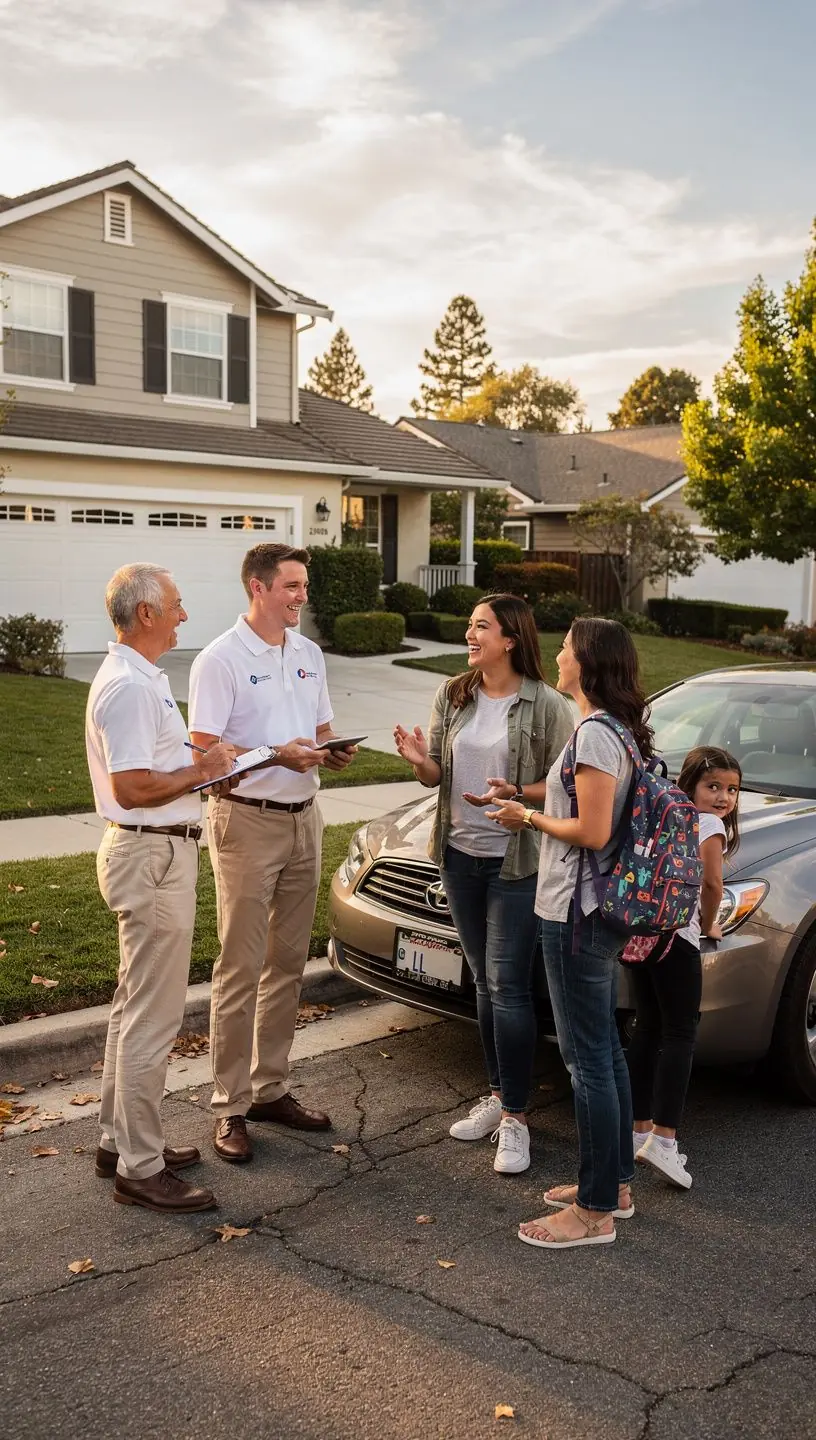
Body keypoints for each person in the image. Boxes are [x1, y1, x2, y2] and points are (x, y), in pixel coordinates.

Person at [394, 594, 574, 1175]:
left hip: (515, 862)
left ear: (511, 639)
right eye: (470, 627)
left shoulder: (547, 706)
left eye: (481, 627)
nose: (470, 636)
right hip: (458, 856)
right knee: (483, 980)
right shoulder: (454, 693)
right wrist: (419, 760)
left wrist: (516, 793)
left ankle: (517, 1119)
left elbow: (567, 785)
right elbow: (437, 775)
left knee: (508, 985)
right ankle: (498, 1096)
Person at [188, 543, 355, 1164]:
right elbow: (206, 758)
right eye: (291, 586)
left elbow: (318, 731)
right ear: (257, 588)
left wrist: (331, 749)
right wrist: (274, 756)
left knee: (286, 963)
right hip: (246, 823)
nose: (301, 596)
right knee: (240, 966)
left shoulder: (308, 654)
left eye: (304, 585)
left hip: (304, 821)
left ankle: (270, 1089)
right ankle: (229, 1106)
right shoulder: (219, 660)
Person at [487, 617, 651, 1249]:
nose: (556, 655)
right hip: (593, 911)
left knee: (586, 1061)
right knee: (603, 1049)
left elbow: (592, 831)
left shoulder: (595, 735)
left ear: (587, 661)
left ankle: (594, 1210)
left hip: (576, 914)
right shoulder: (614, 730)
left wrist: (526, 817)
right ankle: (616, 1185)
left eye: (565, 648)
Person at [87, 563, 238, 1214]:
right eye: (175, 605)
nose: (183, 614)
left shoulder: (141, 677)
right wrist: (202, 771)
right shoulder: (128, 687)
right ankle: (140, 1169)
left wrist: (206, 769)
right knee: (152, 1017)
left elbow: (154, 770)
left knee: (133, 1007)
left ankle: (117, 1143)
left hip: (154, 850)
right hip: (150, 855)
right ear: (145, 613)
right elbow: (132, 788)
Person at [628, 746, 741, 1189]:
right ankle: (664, 1139)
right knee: (680, 1033)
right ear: (690, 784)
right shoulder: (708, 824)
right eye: (713, 786)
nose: (723, 797)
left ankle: (638, 1129)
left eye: (732, 789)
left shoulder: (663, 811)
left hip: (642, 931)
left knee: (647, 1027)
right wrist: (709, 923)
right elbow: (712, 884)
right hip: (678, 936)